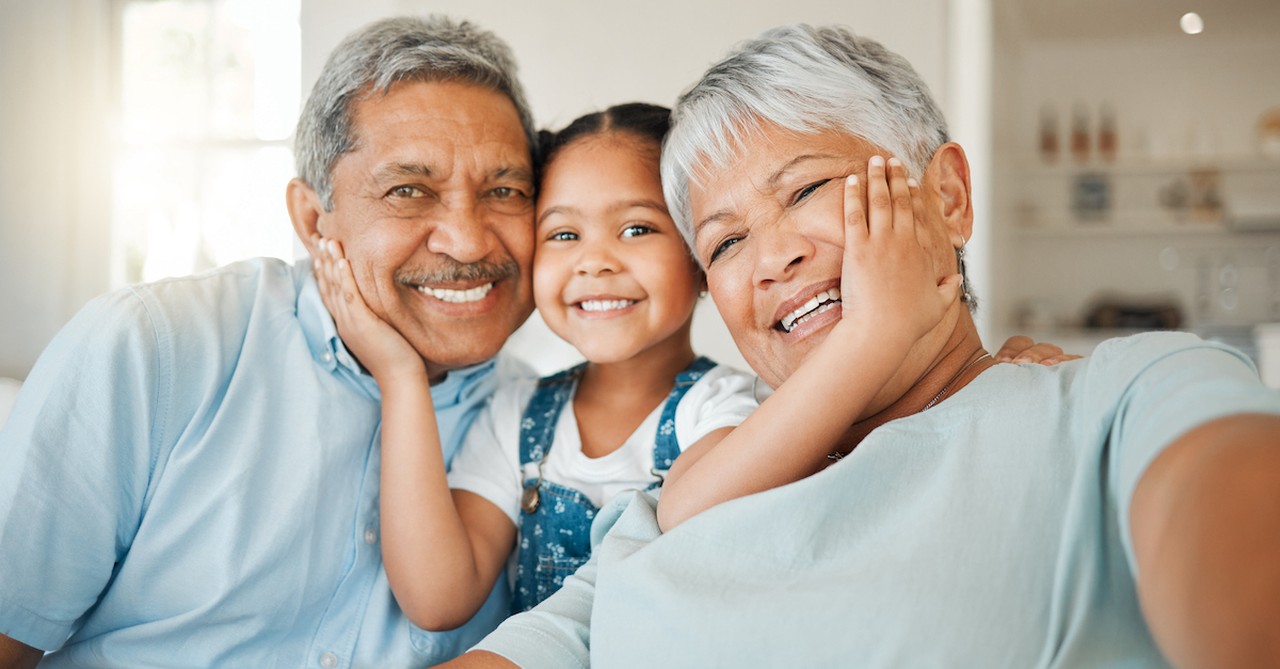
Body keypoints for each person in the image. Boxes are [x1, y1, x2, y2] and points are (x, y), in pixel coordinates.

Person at [444, 23, 1280, 668]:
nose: (772, 260)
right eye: (726, 243)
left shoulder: (1122, 398)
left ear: (947, 196)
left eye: (806, 188)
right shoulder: (688, 485)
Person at [0, 15, 539, 668]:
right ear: (314, 221)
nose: (470, 239)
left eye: (504, 191)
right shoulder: (152, 350)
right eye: (409, 191)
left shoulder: (540, 424)